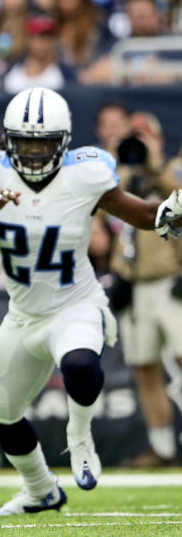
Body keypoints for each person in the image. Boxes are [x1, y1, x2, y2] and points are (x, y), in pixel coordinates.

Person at [0, 87, 166, 516]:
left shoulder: (84, 175)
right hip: (23, 315)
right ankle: (41, 489)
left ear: (62, 142)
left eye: (41, 143)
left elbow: (140, 214)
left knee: (81, 364)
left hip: (76, 304)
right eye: (23, 143)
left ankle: (80, 436)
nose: (31, 153)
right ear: (7, 142)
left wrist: (169, 212)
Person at [109, 113, 182, 467]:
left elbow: (179, 198)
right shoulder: (121, 178)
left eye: (144, 137)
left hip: (171, 281)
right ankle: (163, 447)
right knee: (145, 368)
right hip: (135, 285)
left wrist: (155, 169)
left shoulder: (173, 169)